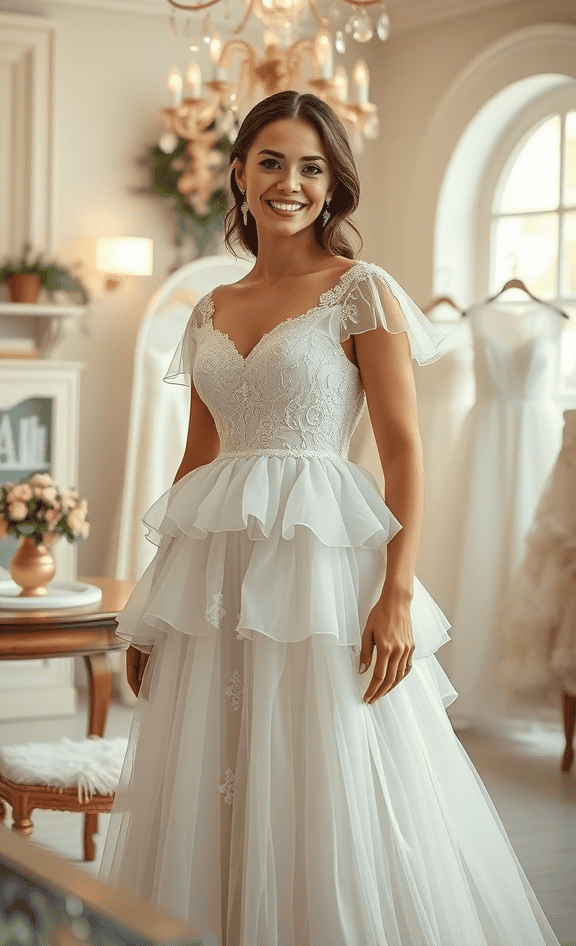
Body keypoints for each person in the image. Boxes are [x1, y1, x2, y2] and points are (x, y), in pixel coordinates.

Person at [100, 90, 561, 946]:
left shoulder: (362, 292)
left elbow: (405, 454)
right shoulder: (209, 309)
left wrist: (395, 594)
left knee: (326, 774)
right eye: (271, 161)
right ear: (237, 172)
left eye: (311, 167)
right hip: (213, 581)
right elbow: (197, 460)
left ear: (333, 184)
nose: (290, 182)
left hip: (323, 578)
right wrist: (156, 605)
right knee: (213, 775)